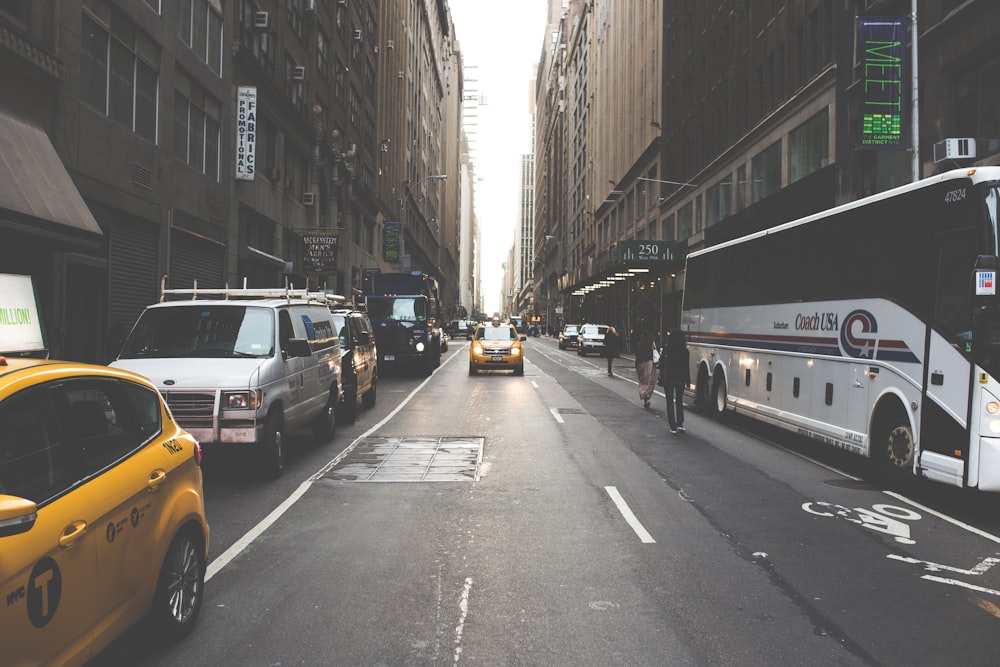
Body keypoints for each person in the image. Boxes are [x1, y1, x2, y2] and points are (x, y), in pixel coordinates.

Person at [659, 328, 691, 434]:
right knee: (679, 400)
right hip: (680, 378)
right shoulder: (685, 351)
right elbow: (686, 367)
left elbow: (662, 363)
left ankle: (672, 426)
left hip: (669, 377)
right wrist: (688, 381)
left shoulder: (667, 349)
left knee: (669, 401)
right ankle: (680, 423)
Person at [635, 330, 657, 407]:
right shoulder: (651, 344)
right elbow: (654, 353)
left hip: (641, 364)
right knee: (650, 382)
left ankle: (644, 396)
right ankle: (647, 396)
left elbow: (637, 356)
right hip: (649, 364)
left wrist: (636, 366)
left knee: (643, 381)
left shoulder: (638, 344)